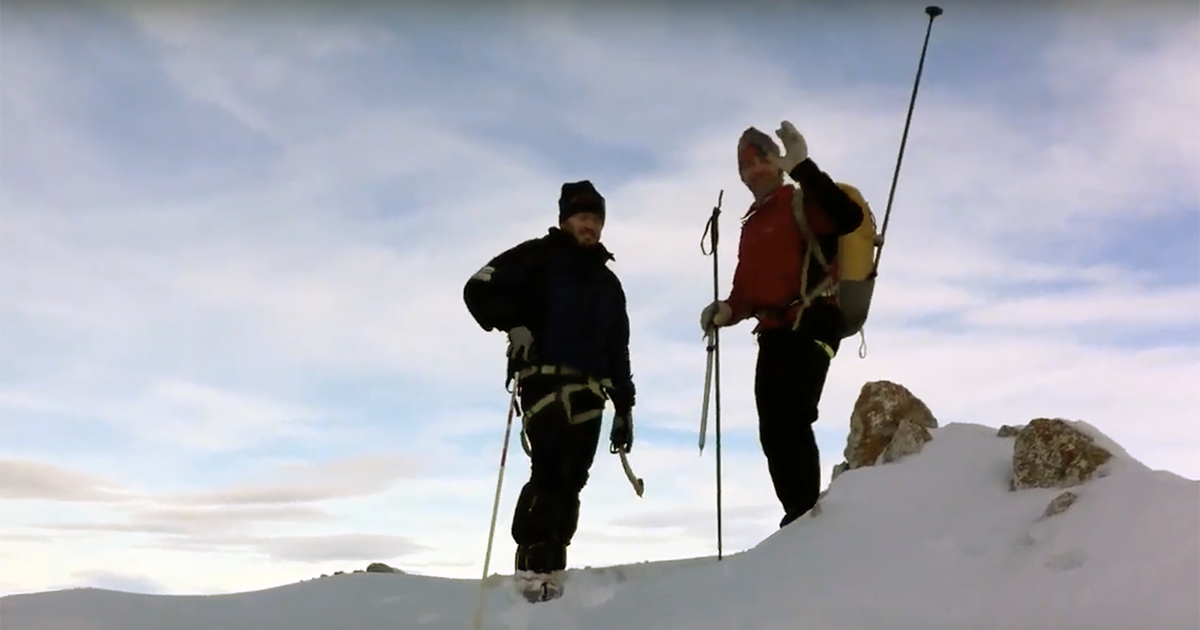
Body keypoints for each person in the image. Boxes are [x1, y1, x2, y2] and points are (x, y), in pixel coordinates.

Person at [463, 179, 636, 585]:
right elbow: (477, 287)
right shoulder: (536, 257)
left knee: (573, 479)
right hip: (544, 382)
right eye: (581, 217)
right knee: (552, 470)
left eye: (595, 218)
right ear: (564, 220)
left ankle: (551, 563)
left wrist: (625, 407)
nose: (589, 226)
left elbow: (618, 347)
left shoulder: (608, 284)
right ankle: (533, 564)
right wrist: (514, 325)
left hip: (592, 391)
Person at [699, 121, 864, 529]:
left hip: (812, 323)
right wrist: (726, 311)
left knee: (790, 418)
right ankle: (799, 515)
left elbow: (848, 217)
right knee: (773, 429)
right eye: (746, 164)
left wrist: (804, 165)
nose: (754, 168)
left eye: (762, 159)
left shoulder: (801, 201)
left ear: (777, 163)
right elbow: (747, 290)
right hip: (774, 333)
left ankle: (805, 516)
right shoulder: (752, 224)